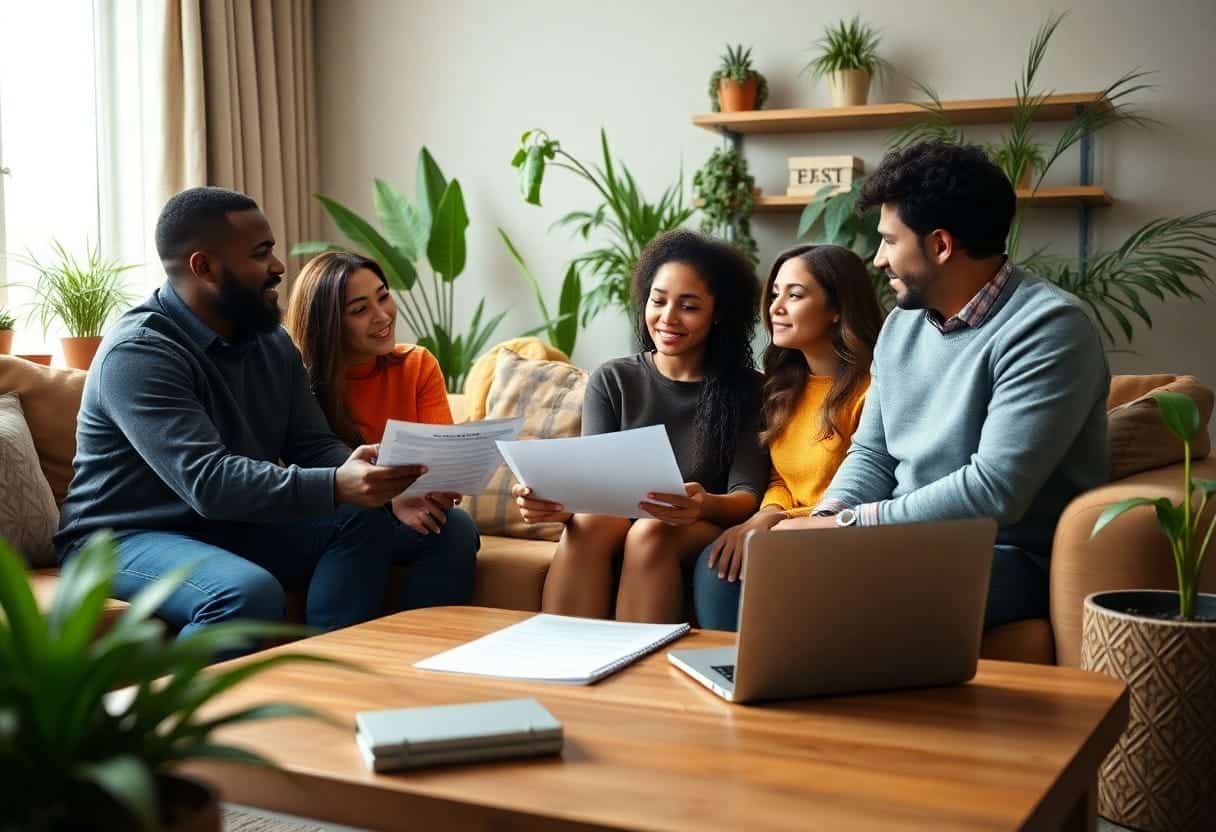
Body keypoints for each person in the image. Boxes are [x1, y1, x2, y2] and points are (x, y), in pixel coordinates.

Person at [54, 187, 424, 649]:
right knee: (244, 594)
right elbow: (209, 483)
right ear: (203, 267)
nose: (279, 267)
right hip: (122, 538)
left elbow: (311, 445)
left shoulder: (271, 341)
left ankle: (350, 679)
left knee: (439, 531)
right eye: (261, 253)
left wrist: (380, 483)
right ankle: (166, 719)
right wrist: (335, 485)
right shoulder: (140, 353)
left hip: (228, 523)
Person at [777, 141, 1110, 631]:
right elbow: (873, 452)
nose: (877, 259)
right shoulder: (901, 325)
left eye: (889, 241)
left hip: (1003, 553)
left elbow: (995, 490)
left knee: (840, 589)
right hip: (899, 541)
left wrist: (853, 525)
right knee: (726, 573)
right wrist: (829, 515)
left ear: (940, 245)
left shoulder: (1050, 328)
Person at [512, 229, 769, 623]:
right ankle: (561, 664)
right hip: (617, 517)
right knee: (589, 522)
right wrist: (552, 504)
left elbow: (745, 495)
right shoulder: (613, 379)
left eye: (688, 306)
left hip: (697, 522)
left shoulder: (750, 390)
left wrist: (702, 503)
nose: (667, 318)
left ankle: (639, 677)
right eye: (658, 300)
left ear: (717, 314)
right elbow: (592, 484)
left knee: (652, 532)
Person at [693, 244, 884, 630]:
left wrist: (773, 522)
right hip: (784, 528)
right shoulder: (783, 389)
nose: (775, 307)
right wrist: (766, 515)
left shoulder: (872, 391)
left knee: (733, 561)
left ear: (836, 310)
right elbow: (780, 478)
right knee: (718, 560)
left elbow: (869, 486)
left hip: (840, 535)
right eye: (775, 293)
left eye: (794, 295)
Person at [285, 251, 479, 610]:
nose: (382, 316)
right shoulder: (299, 381)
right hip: (329, 522)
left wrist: (448, 481)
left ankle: (426, 647)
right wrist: (389, 498)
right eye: (359, 310)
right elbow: (308, 480)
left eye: (383, 295)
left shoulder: (417, 365)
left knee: (454, 528)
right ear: (327, 323)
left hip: (401, 516)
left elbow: (440, 465)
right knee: (361, 519)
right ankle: (339, 654)